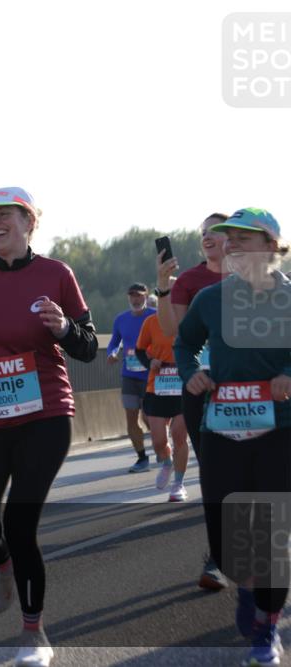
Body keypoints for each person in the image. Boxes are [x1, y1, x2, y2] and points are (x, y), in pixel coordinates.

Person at [0, 186, 98, 667]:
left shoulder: (56, 274)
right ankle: (3, 565)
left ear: (29, 222)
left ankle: (34, 633)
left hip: (46, 414)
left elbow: (87, 345)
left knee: (20, 523)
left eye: (4, 215)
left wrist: (64, 328)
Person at [174, 208, 291, 667]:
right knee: (228, 543)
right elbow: (185, 343)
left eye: (243, 239)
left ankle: (267, 624)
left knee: (272, 533)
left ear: (271, 246)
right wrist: (191, 373)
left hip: (279, 432)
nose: (231, 246)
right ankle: (246, 581)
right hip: (222, 430)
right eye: (228, 239)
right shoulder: (211, 299)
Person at [154, 213, 230, 590]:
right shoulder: (191, 282)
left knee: (260, 475)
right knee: (216, 474)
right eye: (203, 233)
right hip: (203, 388)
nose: (207, 237)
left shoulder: (264, 282)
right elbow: (175, 334)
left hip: (258, 391)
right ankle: (218, 558)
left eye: (215, 231)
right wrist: (163, 286)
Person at [134, 311, 188, 501]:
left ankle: (178, 484)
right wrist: (150, 361)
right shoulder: (151, 322)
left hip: (184, 385)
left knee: (179, 436)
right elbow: (139, 349)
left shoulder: (190, 318)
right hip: (157, 386)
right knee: (158, 441)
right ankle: (167, 462)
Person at [106, 283, 156, 472]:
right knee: (131, 418)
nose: (136, 299)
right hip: (129, 375)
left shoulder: (154, 316)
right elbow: (114, 342)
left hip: (150, 374)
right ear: (128, 297)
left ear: (146, 296)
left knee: (150, 417)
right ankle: (142, 458)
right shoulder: (121, 319)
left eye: (139, 296)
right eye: (132, 296)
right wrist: (111, 353)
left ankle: (162, 445)